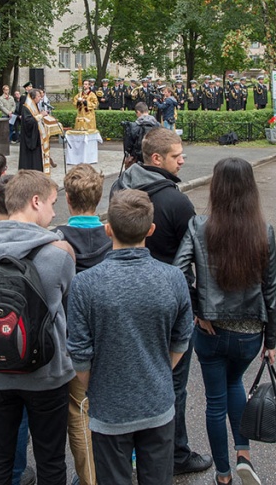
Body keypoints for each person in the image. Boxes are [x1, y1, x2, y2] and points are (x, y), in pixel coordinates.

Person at [68, 189, 193, 485]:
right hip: (158, 404)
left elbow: (80, 354)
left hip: (108, 410)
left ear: (108, 228)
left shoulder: (84, 284)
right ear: (150, 230)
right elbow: (181, 340)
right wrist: (160, 371)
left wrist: (95, 387)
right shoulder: (173, 278)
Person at [109, 127, 211, 475]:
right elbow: (197, 254)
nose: (183, 160)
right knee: (173, 383)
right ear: (156, 159)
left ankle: (125, 454)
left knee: (122, 376)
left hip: (120, 296)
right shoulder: (175, 201)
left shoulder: (120, 186)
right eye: (176, 156)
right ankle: (175, 455)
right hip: (166, 301)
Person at [0, 170, 77, 484]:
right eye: (53, 203)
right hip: (47, 373)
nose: (55, 213)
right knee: (51, 461)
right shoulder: (59, 254)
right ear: (35, 201)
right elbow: (66, 308)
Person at [174, 157, 276, 485]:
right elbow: (270, 290)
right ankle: (243, 452)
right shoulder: (264, 231)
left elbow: (178, 271)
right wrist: (271, 341)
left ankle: (223, 474)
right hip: (250, 331)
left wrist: (198, 308)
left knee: (215, 401)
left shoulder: (198, 227)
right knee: (236, 384)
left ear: (216, 188)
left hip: (211, 329)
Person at [54, 164, 112, 485]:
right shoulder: (112, 236)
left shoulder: (56, 239)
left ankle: (89, 477)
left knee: (78, 411)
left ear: (68, 199)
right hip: (109, 334)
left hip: (73, 340)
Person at [18, 88, 45, 173]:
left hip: (35, 136)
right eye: (38, 96)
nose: (40, 98)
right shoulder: (27, 107)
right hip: (29, 138)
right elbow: (28, 121)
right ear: (33, 97)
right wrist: (40, 115)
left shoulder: (34, 105)